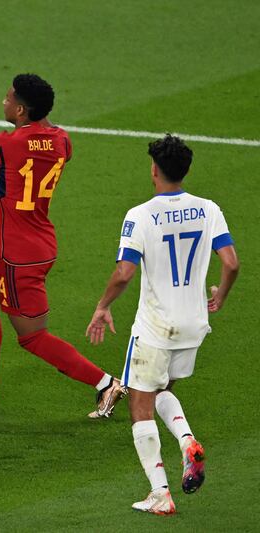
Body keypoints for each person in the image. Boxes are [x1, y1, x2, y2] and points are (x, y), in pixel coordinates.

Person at [0, 73, 126, 417]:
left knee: (32, 337)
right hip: (37, 243)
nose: (4, 102)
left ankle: (106, 383)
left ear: (22, 109)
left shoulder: (4, 143)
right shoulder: (62, 141)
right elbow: (49, 153)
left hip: (18, 257)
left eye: (9, 98)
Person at [86, 135, 239, 514]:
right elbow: (232, 263)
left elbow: (124, 272)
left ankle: (160, 493)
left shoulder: (140, 214)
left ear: (154, 170)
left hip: (155, 326)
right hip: (194, 325)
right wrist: (219, 295)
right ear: (184, 170)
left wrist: (103, 306)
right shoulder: (209, 209)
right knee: (160, 391)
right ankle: (187, 442)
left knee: (139, 405)